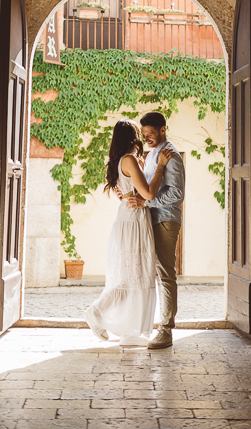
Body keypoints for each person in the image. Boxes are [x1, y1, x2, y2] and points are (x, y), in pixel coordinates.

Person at [84, 119, 173, 346]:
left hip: (129, 219)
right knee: (133, 277)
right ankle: (96, 311)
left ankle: (129, 331)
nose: (142, 138)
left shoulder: (122, 161)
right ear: (132, 137)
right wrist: (160, 166)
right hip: (134, 221)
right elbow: (150, 194)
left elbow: (129, 190)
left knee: (135, 277)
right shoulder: (130, 160)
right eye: (138, 133)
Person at [125, 111, 185, 350]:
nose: (147, 138)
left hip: (166, 220)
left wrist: (146, 202)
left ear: (163, 129)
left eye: (151, 133)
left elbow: (177, 194)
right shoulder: (152, 156)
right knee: (154, 273)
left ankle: (166, 330)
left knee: (165, 274)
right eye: (144, 134)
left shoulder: (171, 155)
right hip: (152, 219)